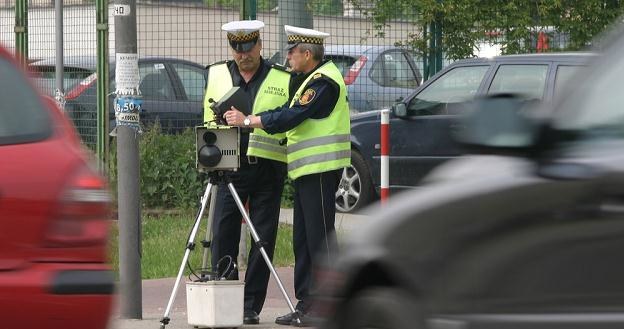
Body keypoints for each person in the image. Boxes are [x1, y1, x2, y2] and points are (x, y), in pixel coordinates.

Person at [223, 25, 351, 327]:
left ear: (307, 54)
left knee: (320, 241)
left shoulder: (322, 83)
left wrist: (250, 121)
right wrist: (257, 119)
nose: (288, 57)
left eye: (292, 52)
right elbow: (285, 110)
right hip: (307, 171)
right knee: (304, 240)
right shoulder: (308, 79)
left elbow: (292, 116)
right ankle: (307, 305)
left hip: (320, 169)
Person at [203, 20, 291, 325]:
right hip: (229, 167)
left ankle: (251, 305)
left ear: (260, 45)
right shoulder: (216, 73)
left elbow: (285, 118)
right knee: (223, 232)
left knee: (263, 237)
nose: (243, 55)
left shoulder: (281, 76)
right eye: (237, 49)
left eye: (249, 48)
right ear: (232, 48)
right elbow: (205, 120)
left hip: (268, 166)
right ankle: (226, 298)